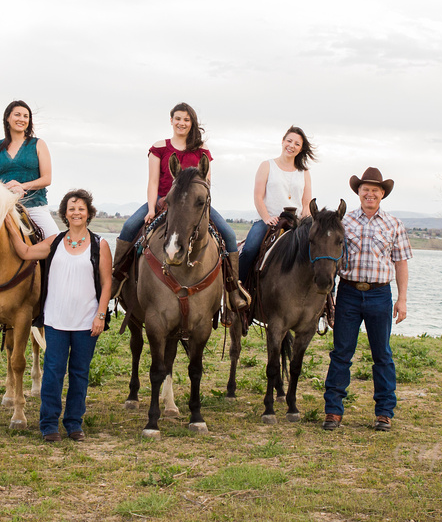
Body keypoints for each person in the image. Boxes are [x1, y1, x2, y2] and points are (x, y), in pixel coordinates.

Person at [113, 102, 250, 311]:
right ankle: (116, 278)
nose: (181, 123)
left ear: (191, 122)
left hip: (194, 204)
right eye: (178, 118)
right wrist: (151, 208)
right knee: (130, 226)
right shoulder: (159, 147)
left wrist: (198, 207)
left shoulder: (202, 150)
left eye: (186, 119)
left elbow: (206, 183)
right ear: (171, 120)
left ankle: (232, 290)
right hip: (163, 199)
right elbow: (152, 181)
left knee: (229, 235)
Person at [8, 189, 112, 443]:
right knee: (53, 373)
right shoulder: (55, 242)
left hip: (86, 322)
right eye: (71, 208)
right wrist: (9, 224)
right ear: (65, 214)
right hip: (55, 320)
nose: (76, 213)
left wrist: (100, 315)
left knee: (79, 373)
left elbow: (107, 284)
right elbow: (25, 252)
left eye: (81, 209)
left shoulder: (100, 244)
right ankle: (48, 425)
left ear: (89, 213)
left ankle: (74, 423)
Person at [322, 167, 412, 432]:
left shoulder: (394, 224)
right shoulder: (345, 222)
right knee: (341, 353)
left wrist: (402, 299)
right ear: (358, 193)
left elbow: (401, 263)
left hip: (380, 295)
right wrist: (330, 297)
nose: (370, 194)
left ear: (382, 194)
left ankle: (384, 412)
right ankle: (333, 411)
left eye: (375, 190)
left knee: (382, 354)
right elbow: (332, 260)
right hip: (348, 293)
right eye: (365, 189)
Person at [239, 126, 316, 284]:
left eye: (297, 144)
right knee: (249, 249)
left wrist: (306, 223)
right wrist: (267, 218)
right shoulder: (267, 165)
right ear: (282, 141)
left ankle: (325, 298)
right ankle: (237, 289)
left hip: (296, 223)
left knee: (319, 251)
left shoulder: (304, 172)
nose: (291, 146)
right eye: (289, 141)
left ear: (301, 149)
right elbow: (258, 197)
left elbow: (306, 203)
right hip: (269, 220)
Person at [0, 100, 57, 239]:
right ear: (8, 118)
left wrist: (21, 186)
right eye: (17, 115)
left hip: (34, 207)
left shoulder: (38, 144)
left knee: (55, 242)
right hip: (3, 208)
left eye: (26, 116)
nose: (22, 119)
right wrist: (7, 189)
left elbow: (46, 178)